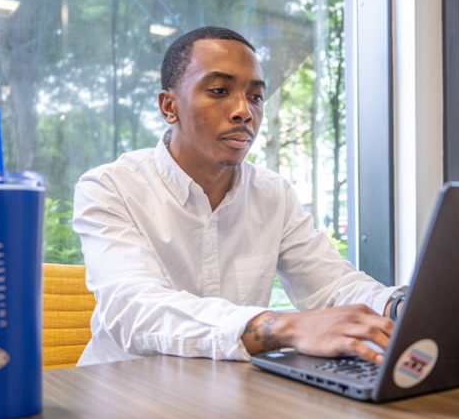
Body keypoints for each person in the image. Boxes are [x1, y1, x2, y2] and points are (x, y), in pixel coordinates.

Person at [72, 26, 404, 367]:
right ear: (169, 106)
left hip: (231, 393)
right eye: (219, 90)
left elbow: (333, 285)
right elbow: (134, 309)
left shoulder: (273, 194)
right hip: (126, 394)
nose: (244, 111)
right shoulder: (110, 187)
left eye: (256, 97)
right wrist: (283, 326)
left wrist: (400, 305)